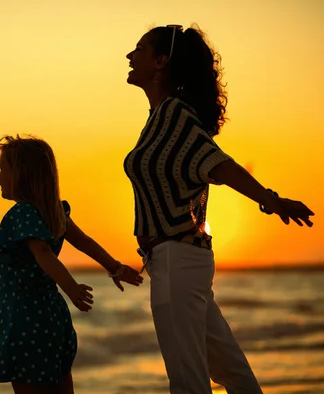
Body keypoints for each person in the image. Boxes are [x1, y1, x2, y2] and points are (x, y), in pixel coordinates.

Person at [123, 24, 315, 394]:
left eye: (140, 48)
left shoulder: (175, 116)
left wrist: (270, 200)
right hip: (179, 259)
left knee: (188, 380)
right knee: (230, 371)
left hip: (176, 259)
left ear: (161, 62)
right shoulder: (160, 118)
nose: (131, 56)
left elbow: (219, 165)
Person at [0, 134, 143, 394]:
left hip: (25, 321)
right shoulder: (54, 211)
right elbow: (84, 242)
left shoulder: (22, 213)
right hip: (53, 318)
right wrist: (114, 267)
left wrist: (71, 288)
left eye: (3, 169)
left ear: (22, 174)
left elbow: (42, 252)